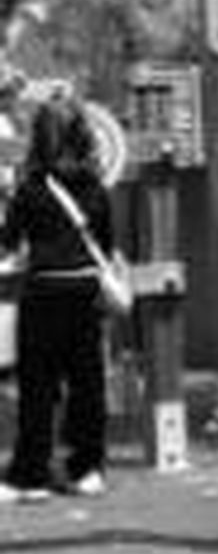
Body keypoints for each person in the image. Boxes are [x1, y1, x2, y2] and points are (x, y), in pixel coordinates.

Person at [0, 94, 116, 502]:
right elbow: (105, 243)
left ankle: (30, 474)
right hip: (85, 293)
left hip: (44, 292)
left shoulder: (30, 190)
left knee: (38, 388)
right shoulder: (96, 189)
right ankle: (88, 468)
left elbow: (9, 243)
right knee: (87, 385)